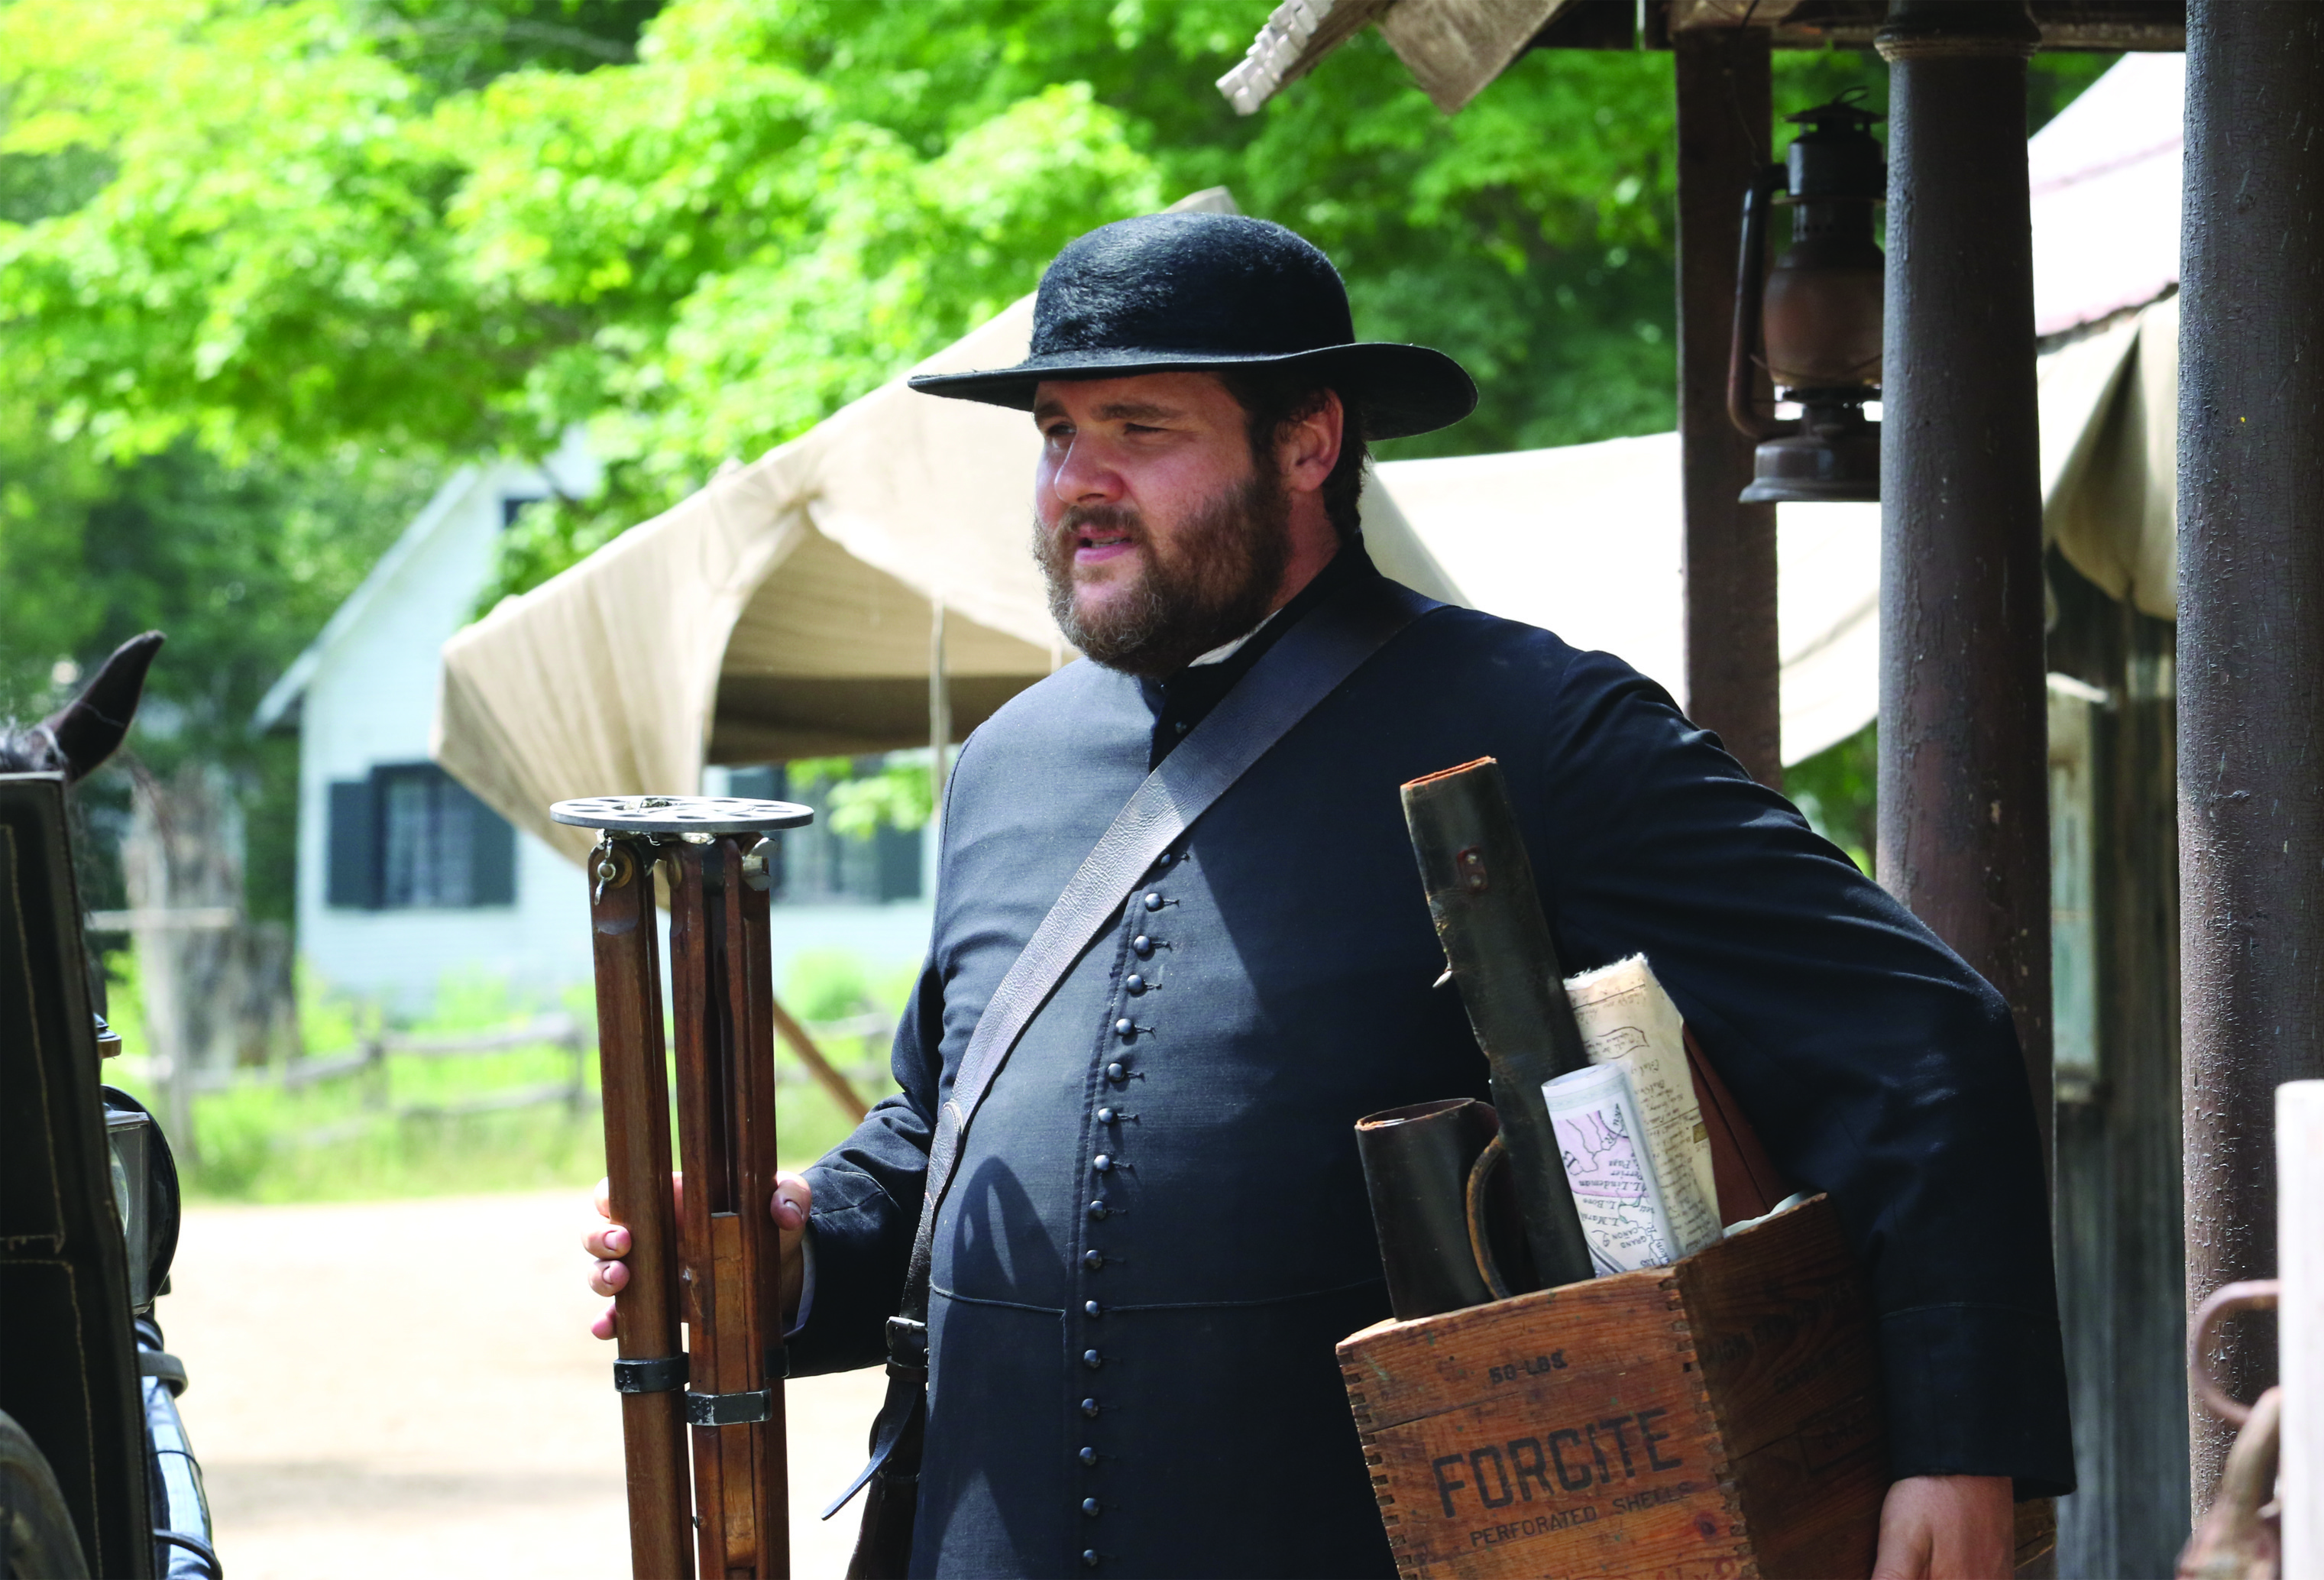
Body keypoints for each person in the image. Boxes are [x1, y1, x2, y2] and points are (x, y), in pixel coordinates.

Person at [584, 212, 2073, 1578]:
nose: (1077, 484)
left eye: (1140, 429)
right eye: (1056, 435)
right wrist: (792, 1253)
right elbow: (944, 1128)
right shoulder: (1009, 765)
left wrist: (1956, 1444)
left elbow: (1915, 1035)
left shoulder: (1541, 723)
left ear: (1307, 441)